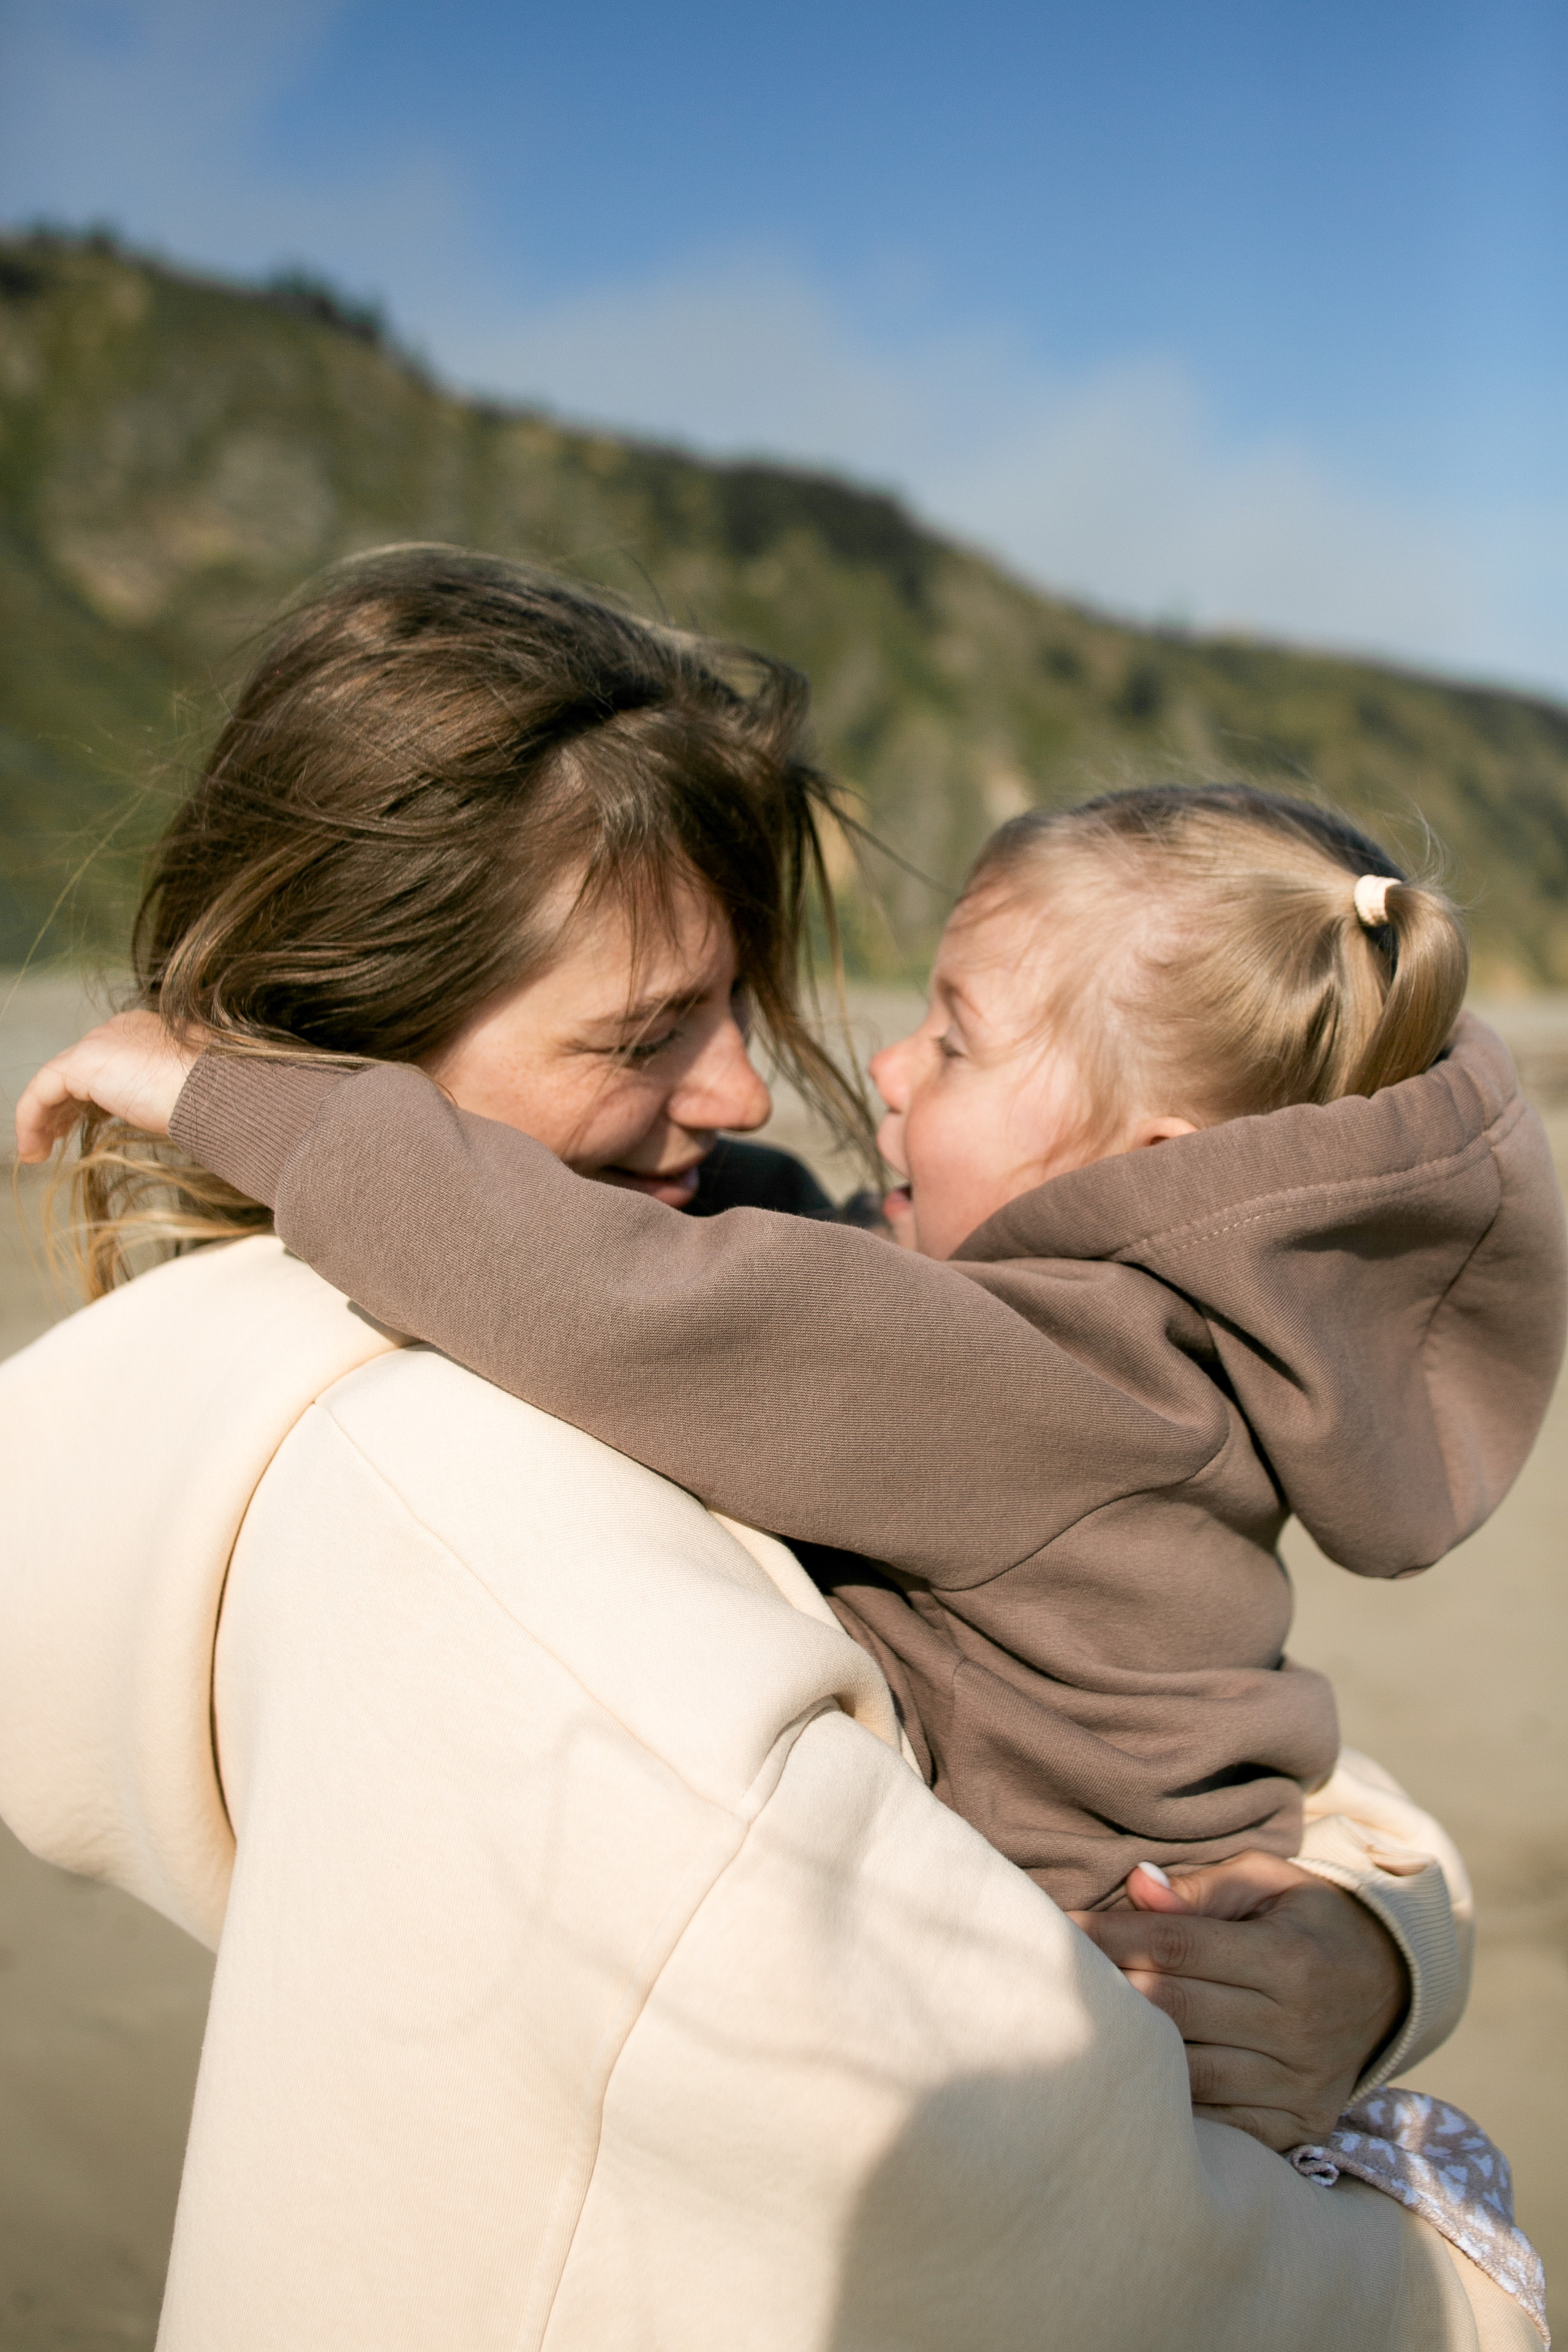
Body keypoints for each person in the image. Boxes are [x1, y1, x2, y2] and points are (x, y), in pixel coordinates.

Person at [5, 547, 1534, 2339]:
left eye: (946, 1038)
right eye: (647, 1034)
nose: (758, 1088)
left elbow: (696, 1292)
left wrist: (1373, 1947)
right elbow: (650, 1296)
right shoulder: (456, 1506)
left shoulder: (1013, 1371)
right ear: (374, 1045)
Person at [45, 789, 1563, 1926]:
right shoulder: (1164, 1359)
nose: (885, 1069)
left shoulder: (1036, 1381)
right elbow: (809, 1266)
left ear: (1150, 1162)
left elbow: (635, 1300)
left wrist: (225, 1096)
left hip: (1069, 1992)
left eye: (954, 1045)